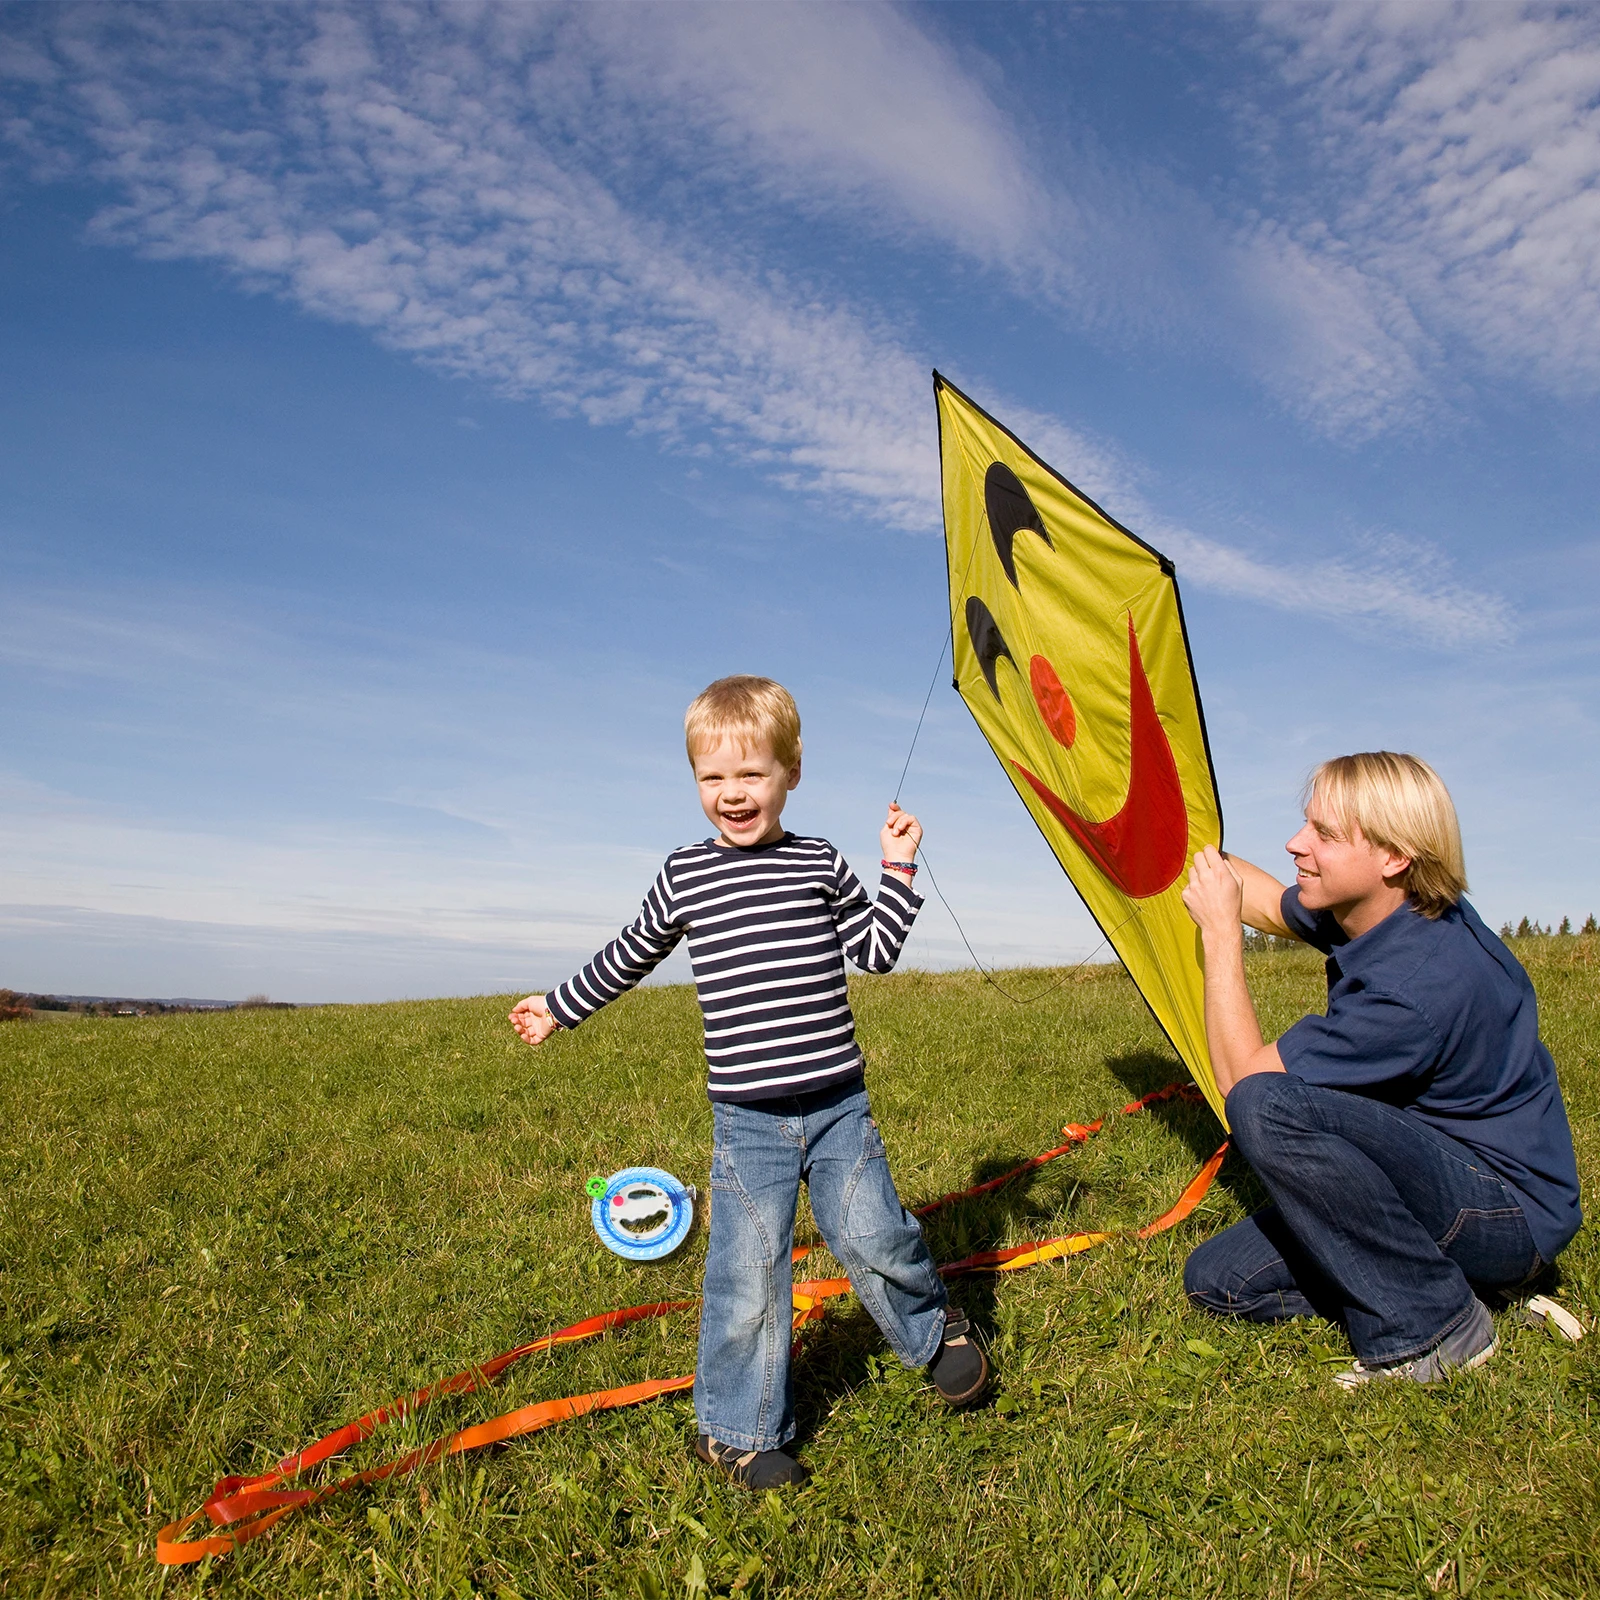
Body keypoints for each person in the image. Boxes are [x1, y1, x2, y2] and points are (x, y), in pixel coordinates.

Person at [509, 675, 988, 1488]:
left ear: (791, 773)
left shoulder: (818, 862)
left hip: (838, 1107)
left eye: (752, 775)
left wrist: (898, 870)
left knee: (874, 1233)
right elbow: (631, 952)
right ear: (695, 781)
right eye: (712, 778)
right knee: (747, 1276)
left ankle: (932, 1330)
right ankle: (734, 1431)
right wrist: (560, 1007)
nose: (732, 794)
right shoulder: (685, 876)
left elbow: (874, 950)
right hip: (748, 1122)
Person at [1180, 751, 1581, 1387]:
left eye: (1324, 835)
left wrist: (1220, 936)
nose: (1295, 844)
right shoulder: (1386, 908)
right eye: (1305, 824)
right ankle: (1440, 1281)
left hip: (1505, 1214)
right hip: (1432, 1172)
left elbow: (1242, 1086)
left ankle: (1436, 1327)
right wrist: (1185, 849)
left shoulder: (1416, 988)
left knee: (1268, 1106)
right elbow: (1262, 897)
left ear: (1394, 858)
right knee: (1220, 1283)